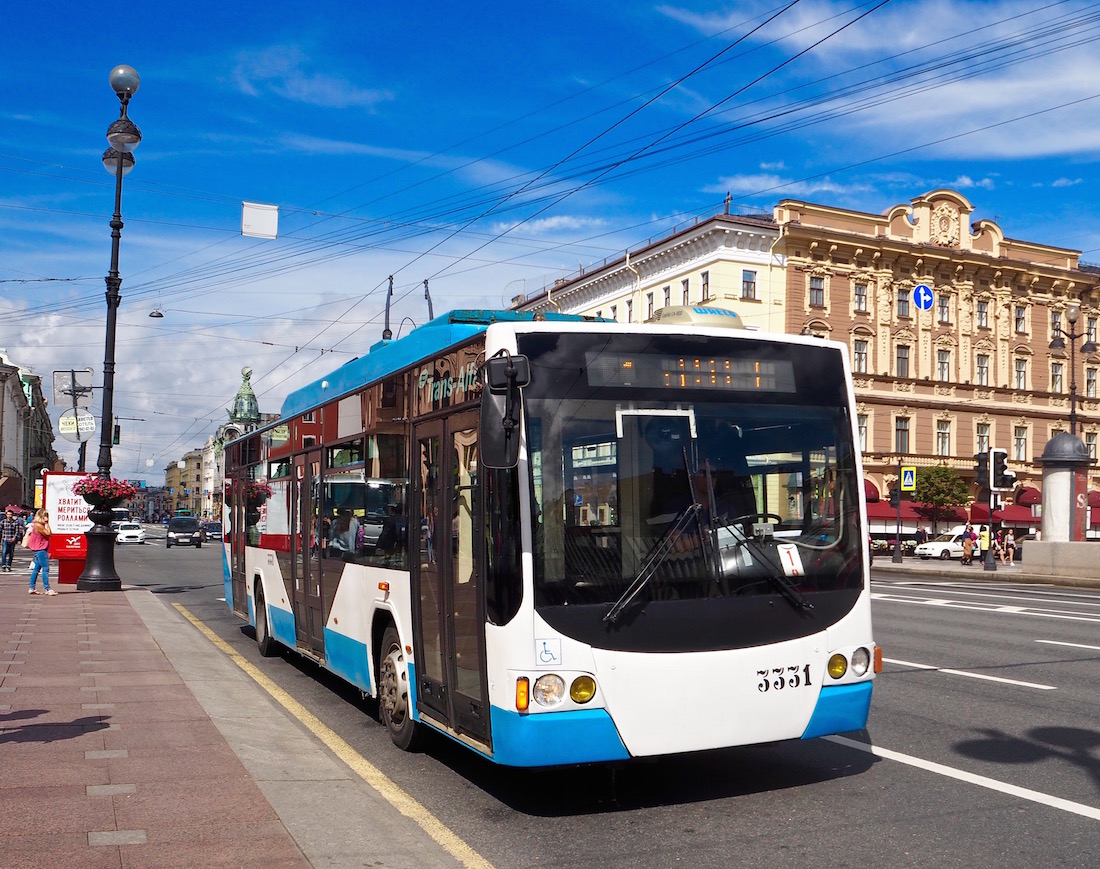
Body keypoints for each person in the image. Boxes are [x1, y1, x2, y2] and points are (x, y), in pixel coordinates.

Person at [27, 509, 54, 595]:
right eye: (45, 515)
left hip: (38, 548)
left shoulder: (37, 524)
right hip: (40, 549)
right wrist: (47, 523)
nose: (47, 517)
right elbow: (49, 533)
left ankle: (32, 587)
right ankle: (47, 589)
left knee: (36, 569)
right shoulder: (39, 525)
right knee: (45, 568)